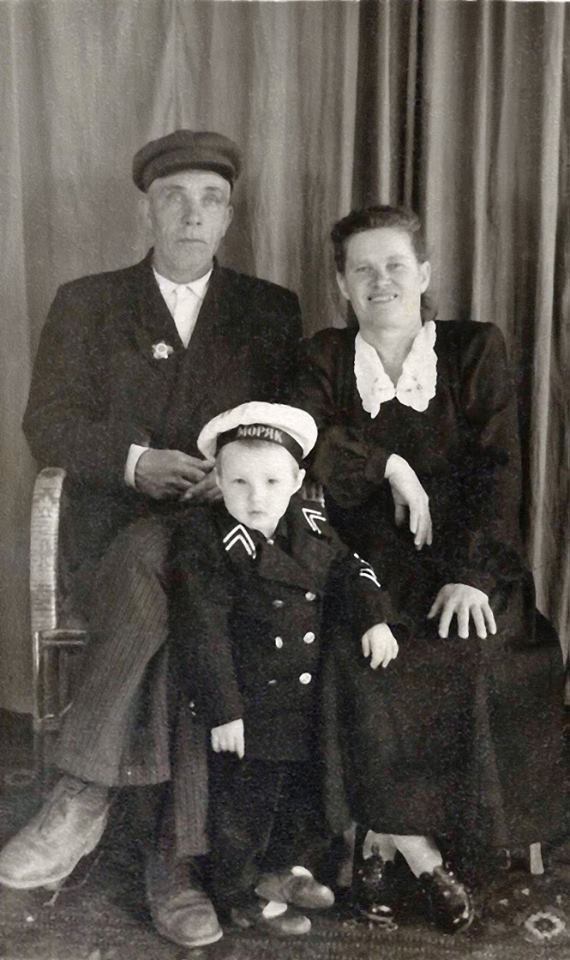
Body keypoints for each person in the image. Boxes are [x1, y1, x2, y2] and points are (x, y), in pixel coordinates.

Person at [0, 130, 302, 948]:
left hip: (229, 530)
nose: (191, 215)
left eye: (210, 201)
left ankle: (83, 793)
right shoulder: (87, 302)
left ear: (229, 217)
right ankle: (174, 866)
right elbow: (47, 421)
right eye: (174, 198)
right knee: (162, 576)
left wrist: (233, 473)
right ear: (146, 211)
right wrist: (137, 463)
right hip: (115, 531)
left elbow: (294, 423)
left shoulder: (269, 310)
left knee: (184, 584)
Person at [296, 205, 564, 933]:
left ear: (423, 273)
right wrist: (389, 465)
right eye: (362, 269)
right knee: (363, 653)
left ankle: (391, 838)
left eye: (394, 265)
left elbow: (501, 469)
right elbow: (304, 437)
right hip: (365, 565)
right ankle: (414, 851)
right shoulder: (326, 357)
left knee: (469, 649)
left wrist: (472, 574)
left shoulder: (474, 349)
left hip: (466, 559)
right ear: (342, 284)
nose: (379, 281)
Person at [168, 401, 403, 938]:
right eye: (239, 482)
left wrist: (373, 618)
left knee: (305, 792)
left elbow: (351, 570)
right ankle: (238, 893)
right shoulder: (207, 541)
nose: (256, 497)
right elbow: (201, 630)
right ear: (218, 481)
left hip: (306, 698)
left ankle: (286, 871)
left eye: (272, 481)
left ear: (297, 481)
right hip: (250, 703)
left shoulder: (311, 524)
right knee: (245, 807)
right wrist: (224, 711)